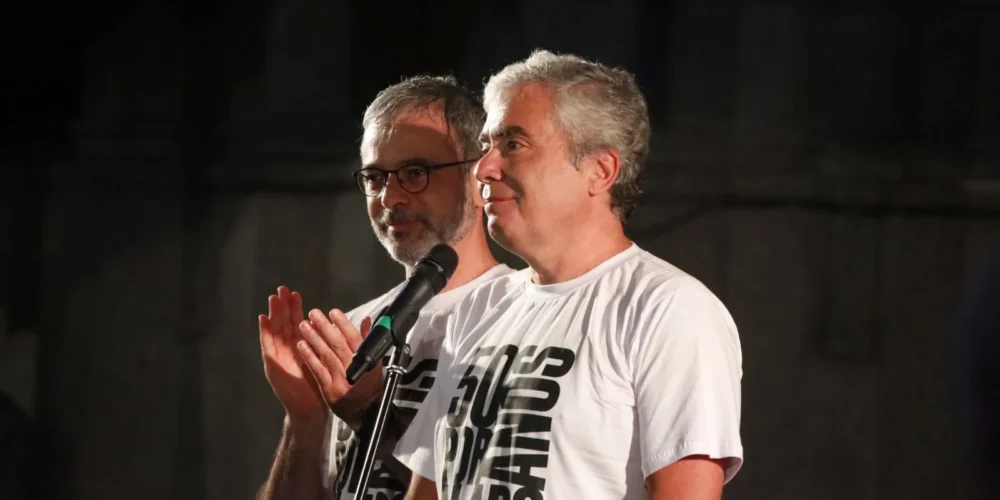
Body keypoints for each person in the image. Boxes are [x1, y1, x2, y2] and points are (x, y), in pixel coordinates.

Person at [389, 50, 745, 499]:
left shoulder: (669, 309)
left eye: (513, 145)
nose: (483, 168)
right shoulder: (478, 308)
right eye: (486, 146)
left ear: (600, 170)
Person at [256, 75, 517, 500]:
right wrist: (304, 419)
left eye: (415, 173)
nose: (390, 197)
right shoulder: (357, 328)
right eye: (376, 178)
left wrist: (367, 410)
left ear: (477, 179)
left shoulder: (518, 315)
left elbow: (475, 486)